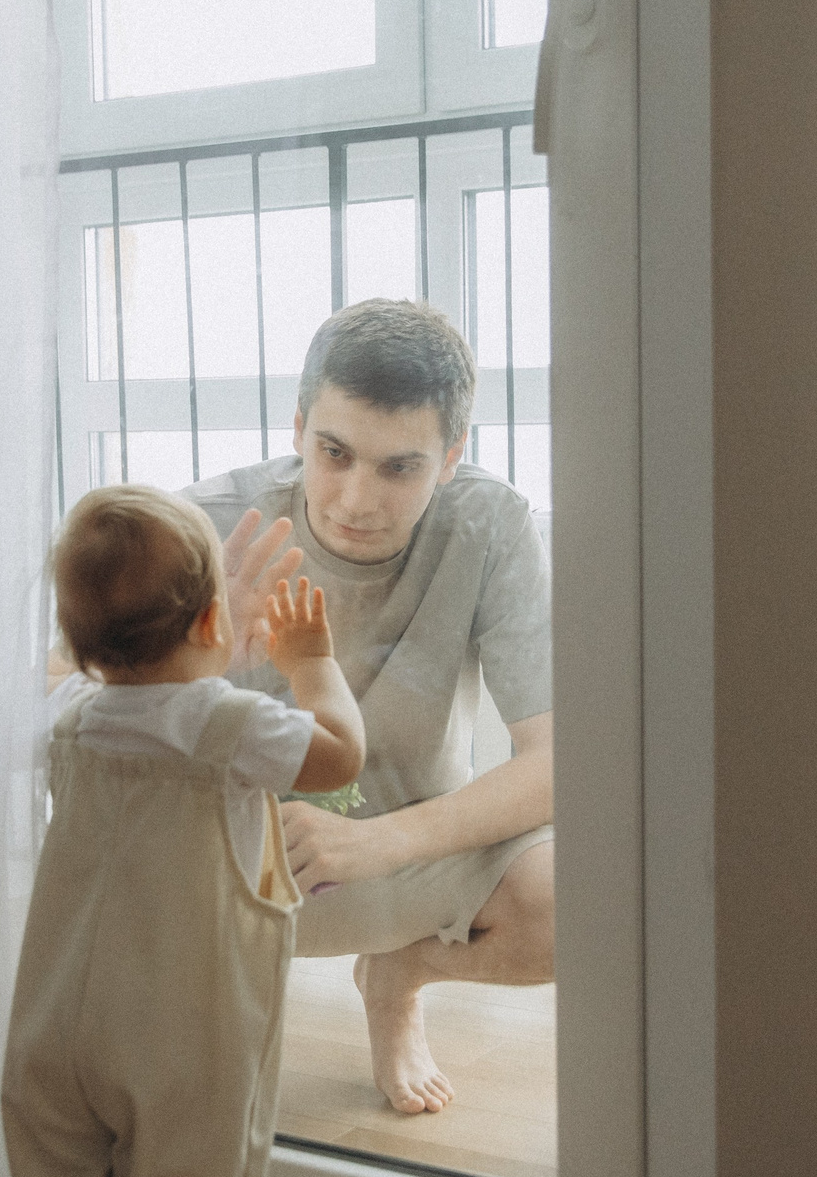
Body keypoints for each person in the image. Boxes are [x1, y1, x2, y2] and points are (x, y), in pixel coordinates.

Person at [2, 484, 366, 1177]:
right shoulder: (226, 725)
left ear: (81, 647)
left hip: (55, 1016)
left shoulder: (72, 713)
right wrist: (310, 663)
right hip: (179, 1023)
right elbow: (340, 759)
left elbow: (115, 668)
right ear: (214, 619)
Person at [186, 297, 553, 1117]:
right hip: (235, 864)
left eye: (400, 467)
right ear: (297, 428)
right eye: (334, 452)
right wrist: (197, 654)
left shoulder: (491, 524)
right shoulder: (208, 523)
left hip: (407, 853)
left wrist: (380, 843)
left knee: (583, 900)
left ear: (451, 456)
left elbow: (563, 759)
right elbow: (60, 693)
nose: (357, 497)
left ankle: (400, 977)